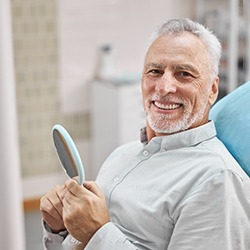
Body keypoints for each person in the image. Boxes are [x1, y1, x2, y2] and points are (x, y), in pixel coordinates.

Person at [40, 18, 250, 249]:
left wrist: (98, 233)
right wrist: (59, 229)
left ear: (212, 89)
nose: (163, 87)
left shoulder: (216, 180)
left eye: (184, 74)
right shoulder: (121, 155)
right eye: (155, 71)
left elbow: (95, 236)